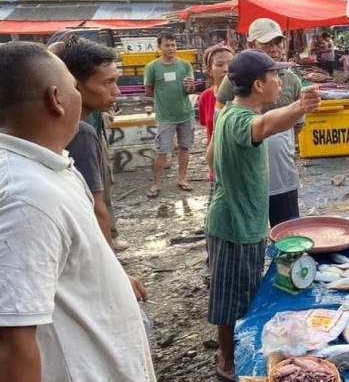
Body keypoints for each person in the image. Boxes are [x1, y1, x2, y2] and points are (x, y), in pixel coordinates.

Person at [0, 42, 156, 381]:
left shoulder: (50, 166)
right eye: (73, 85)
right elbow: (13, 340)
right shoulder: (28, 196)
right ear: (57, 98)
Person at [207, 49, 321, 380]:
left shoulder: (231, 111)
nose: (279, 80)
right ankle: (228, 366)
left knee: (240, 294)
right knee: (231, 301)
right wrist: (300, 106)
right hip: (234, 227)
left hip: (243, 222)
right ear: (258, 84)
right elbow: (263, 125)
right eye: (274, 76)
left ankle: (231, 359)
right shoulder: (240, 118)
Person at [215, 18, 305, 228]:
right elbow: (219, 124)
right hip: (246, 177)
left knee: (287, 233)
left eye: (278, 43)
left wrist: (283, 146)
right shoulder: (235, 80)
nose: (274, 49)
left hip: (282, 174)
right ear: (252, 45)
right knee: (249, 232)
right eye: (267, 44)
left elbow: (297, 126)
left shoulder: (291, 80)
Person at [53, 39, 121, 249]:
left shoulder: (51, 126)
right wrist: (112, 269)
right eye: (107, 82)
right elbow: (96, 208)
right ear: (77, 85)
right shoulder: (80, 133)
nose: (116, 91)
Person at [144, 31, 195, 198]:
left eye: (173, 45)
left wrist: (190, 87)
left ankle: (182, 179)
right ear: (159, 47)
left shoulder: (185, 65)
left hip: (186, 113)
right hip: (165, 117)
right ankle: (156, 183)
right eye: (167, 45)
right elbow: (149, 90)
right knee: (162, 151)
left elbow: (190, 90)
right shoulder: (152, 67)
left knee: (184, 147)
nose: (171, 48)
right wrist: (163, 101)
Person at [198, 44, 235, 199]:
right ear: (209, 70)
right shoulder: (205, 97)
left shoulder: (245, 96)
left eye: (231, 64)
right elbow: (210, 133)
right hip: (217, 165)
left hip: (241, 167)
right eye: (219, 65)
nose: (226, 69)